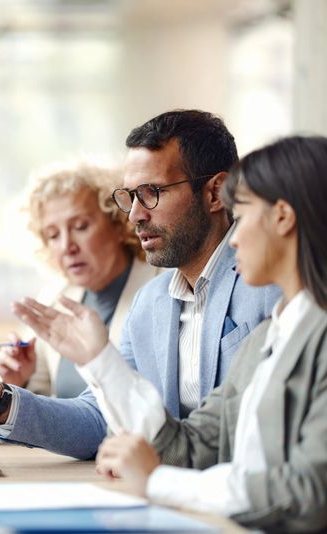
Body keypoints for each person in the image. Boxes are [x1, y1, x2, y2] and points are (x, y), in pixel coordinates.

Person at [0, 110, 280, 460]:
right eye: (130, 197)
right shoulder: (152, 304)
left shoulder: (273, 289)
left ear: (215, 193)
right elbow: (103, 418)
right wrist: (0, 400)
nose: (135, 214)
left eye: (152, 193)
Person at [35, 136, 327, 532]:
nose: (234, 236)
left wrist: (158, 481)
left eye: (242, 213)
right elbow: (190, 447)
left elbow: (309, 493)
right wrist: (99, 361)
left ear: (282, 217)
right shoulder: (270, 336)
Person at [0, 163, 160, 399]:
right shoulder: (56, 295)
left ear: (120, 224)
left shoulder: (162, 287)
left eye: (80, 227)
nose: (66, 246)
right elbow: (40, 396)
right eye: (53, 235)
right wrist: (14, 384)